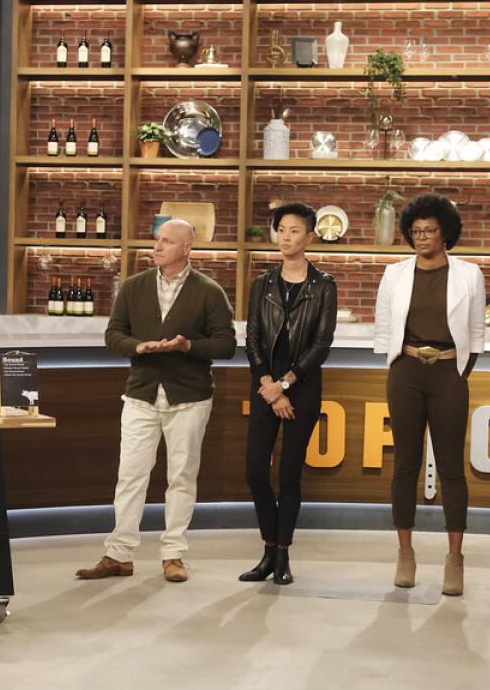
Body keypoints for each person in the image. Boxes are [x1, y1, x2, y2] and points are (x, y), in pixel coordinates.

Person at [76, 219, 236, 583]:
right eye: (157, 240)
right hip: (141, 394)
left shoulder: (209, 291)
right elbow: (113, 335)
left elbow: (226, 345)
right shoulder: (134, 287)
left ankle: (173, 555)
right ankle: (119, 554)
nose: (158, 247)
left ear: (187, 249)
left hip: (190, 398)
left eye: (167, 241)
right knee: (130, 474)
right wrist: (137, 347)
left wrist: (188, 346)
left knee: (181, 476)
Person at [373, 193, 485, 595]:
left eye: (430, 231)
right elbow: (384, 327)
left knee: (452, 468)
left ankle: (455, 558)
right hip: (405, 371)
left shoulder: (470, 274)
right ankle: (405, 553)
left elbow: (476, 333)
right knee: (405, 464)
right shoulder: (395, 273)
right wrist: (399, 364)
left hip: (449, 373)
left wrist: (457, 373)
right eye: (416, 231)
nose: (422, 238)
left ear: (445, 233)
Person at [239, 203, 337, 585]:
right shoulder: (262, 284)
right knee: (254, 472)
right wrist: (268, 384)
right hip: (265, 386)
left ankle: (282, 556)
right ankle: (266, 549)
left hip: (303, 386)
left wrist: (286, 384)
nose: (286, 236)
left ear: (310, 237)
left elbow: (321, 343)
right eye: (281, 229)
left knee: (289, 475)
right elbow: (251, 340)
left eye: (295, 231)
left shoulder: (324, 285)